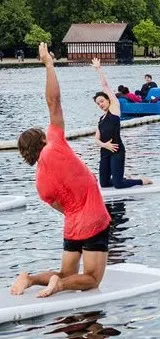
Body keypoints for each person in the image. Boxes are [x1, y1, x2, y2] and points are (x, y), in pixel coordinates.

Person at [11, 43, 111, 298]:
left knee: (66, 271)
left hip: (72, 225)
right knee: (92, 278)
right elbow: (53, 101)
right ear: (43, 139)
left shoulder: (40, 183)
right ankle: (60, 285)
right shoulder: (55, 144)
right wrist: (48, 64)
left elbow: (61, 208)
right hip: (94, 219)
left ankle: (30, 279)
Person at [92, 58, 152, 189]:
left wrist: (98, 69)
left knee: (118, 184)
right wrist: (104, 145)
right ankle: (123, 177)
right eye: (98, 104)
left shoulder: (114, 109)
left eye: (102, 101)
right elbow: (96, 139)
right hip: (105, 151)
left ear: (108, 100)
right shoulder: (101, 119)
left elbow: (105, 86)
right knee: (104, 184)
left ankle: (141, 181)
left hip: (117, 150)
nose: (101, 104)